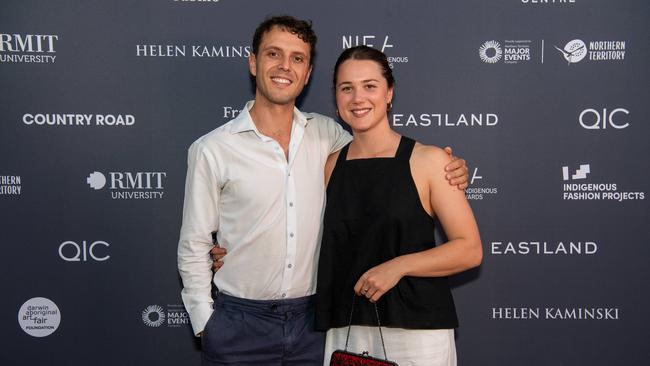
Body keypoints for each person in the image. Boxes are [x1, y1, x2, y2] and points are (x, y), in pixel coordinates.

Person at [179, 16, 469, 365]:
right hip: (241, 324)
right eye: (273, 54)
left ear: (308, 71)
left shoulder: (328, 138)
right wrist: (204, 323)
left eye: (297, 58)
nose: (285, 66)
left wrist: (450, 168)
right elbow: (194, 242)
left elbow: (383, 158)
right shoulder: (213, 148)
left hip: (313, 324)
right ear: (253, 62)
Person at [315, 46, 482, 366]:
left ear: (389, 93)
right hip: (347, 330)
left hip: (417, 333)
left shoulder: (430, 160)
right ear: (336, 99)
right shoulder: (330, 165)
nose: (357, 98)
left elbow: (469, 249)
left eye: (370, 86)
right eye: (346, 88)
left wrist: (396, 267)